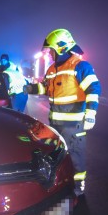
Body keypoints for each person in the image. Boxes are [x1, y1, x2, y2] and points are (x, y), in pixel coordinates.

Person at [24, 28, 101, 196]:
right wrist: (30, 88)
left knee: (75, 156)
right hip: (56, 124)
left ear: (60, 47)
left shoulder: (80, 66)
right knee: (57, 155)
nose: (49, 53)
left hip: (74, 124)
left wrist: (91, 114)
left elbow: (94, 89)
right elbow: (45, 88)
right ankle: (60, 184)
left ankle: (78, 186)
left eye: (51, 50)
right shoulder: (52, 69)